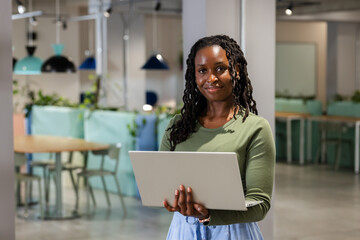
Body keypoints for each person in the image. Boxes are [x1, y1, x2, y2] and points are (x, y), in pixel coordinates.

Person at [159, 35, 275, 240]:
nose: (211, 78)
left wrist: (209, 214)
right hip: (183, 230)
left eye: (220, 68)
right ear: (194, 76)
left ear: (236, 71)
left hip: (233, 231)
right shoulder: (177, 127)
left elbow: (260, 204)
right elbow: (161, 185)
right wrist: (171, 199)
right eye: (202, 71)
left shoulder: (255, 128)